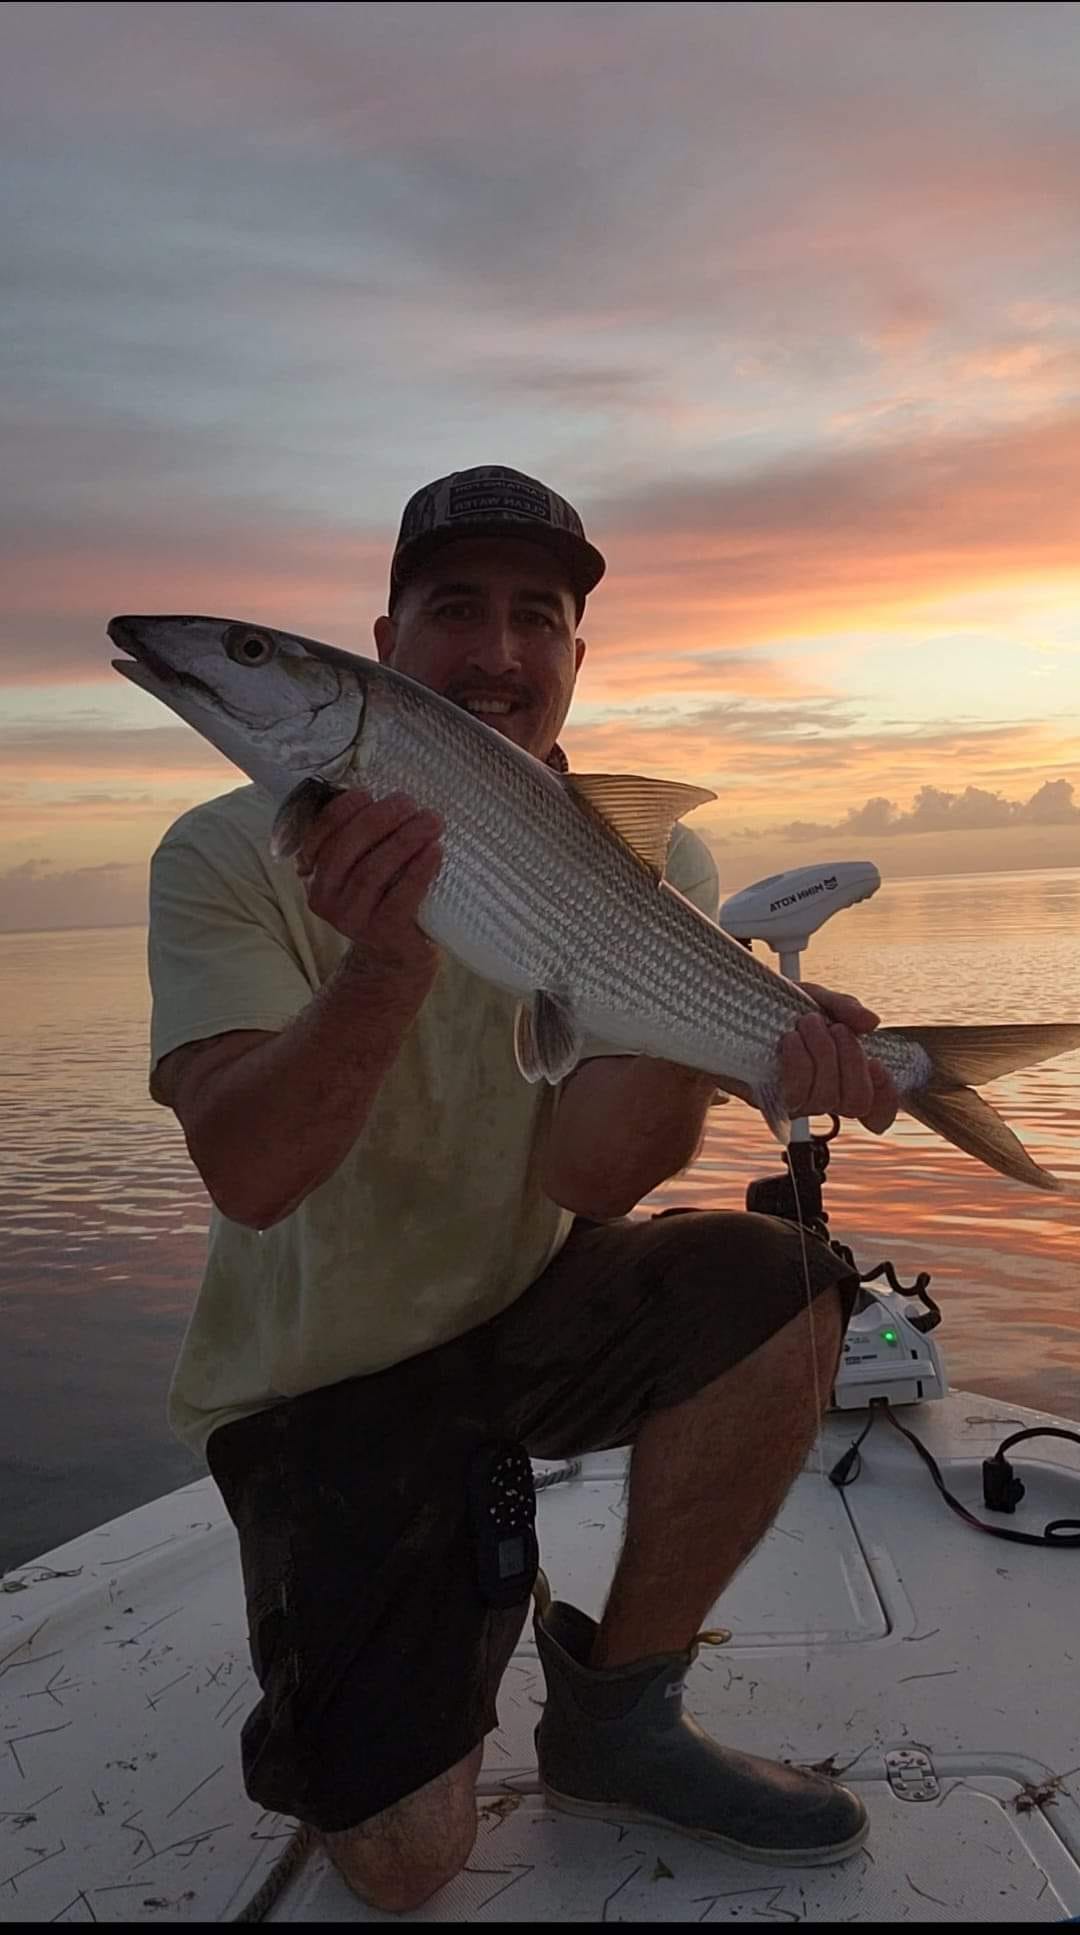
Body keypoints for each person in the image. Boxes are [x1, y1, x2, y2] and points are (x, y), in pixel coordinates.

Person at [147, 465, 898, 1912]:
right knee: (407, 1867)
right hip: (316, 1386)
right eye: (454, 610)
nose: (497, 651)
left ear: (575, 656)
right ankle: (381, 1607)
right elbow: (251, 1178)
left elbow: (591, 1174)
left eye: (536, 618)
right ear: (382, 648)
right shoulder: (221, 853)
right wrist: (385, 964)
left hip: (527, 1308)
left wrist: (728, 1040)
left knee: (777, 1276)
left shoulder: (653, 854)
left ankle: (619, 1715)